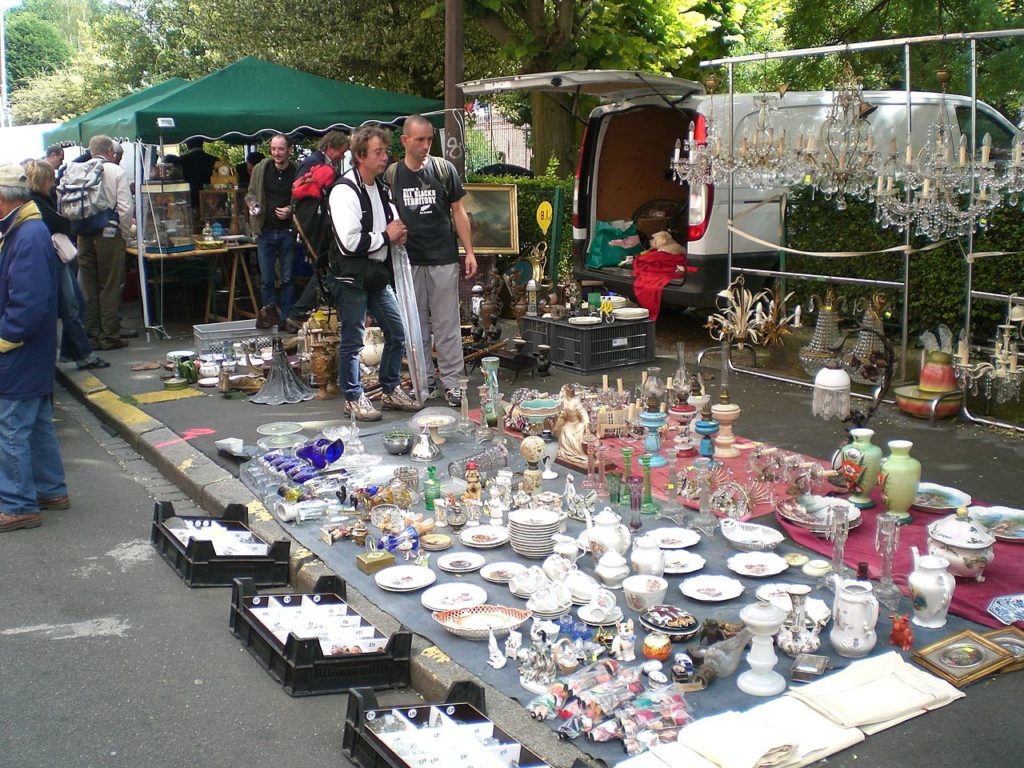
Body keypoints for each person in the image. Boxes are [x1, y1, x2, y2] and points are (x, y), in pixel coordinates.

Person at [328, 125, 419, 421]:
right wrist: (386, 235)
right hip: (351, 274)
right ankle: (353, 398)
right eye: (378, 152)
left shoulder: (381, 187)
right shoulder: (344, 190)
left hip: (376, 274)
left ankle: (390, 389)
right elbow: (349, 241)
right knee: (353, 339)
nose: (385, 157)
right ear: (360, 156)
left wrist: (399, 232)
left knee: (396, 331)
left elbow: (391, 224)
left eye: (385, 151)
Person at [387, 114, 477, 408]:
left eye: (429, 139)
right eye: (420, 140)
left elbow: (458, 212)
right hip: (408, 260)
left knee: (447, 325)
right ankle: (421, 382)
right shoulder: (392, 175)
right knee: (415, 328)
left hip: (442, 257)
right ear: (405, 141)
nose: (426, 145)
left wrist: (469, 251)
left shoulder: (443, 169)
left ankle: (453, 384)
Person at [0, 163, 68, 532]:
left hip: (20, 349)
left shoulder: (26, 234)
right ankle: (50, 491)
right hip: (31, 349)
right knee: (36, 423)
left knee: (11, 427)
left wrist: (3, 342)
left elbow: (26, 305)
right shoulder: (26, 228)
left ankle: (18, 504)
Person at [23, 160, 108, 370]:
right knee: (72, 306)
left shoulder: (41, 199)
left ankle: (75, 352)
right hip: (54, 257)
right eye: (51, 180)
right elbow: (60, 223)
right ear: (44, 179)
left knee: (76, 304)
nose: (53, 184)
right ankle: (83, 354)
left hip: (55, 256)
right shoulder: (37, 202)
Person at [284, 131, 351, 332]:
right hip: (311, 223)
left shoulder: (317, 160)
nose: (342, 156)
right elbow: (301, 193)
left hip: (311, 221)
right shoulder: (315, 162)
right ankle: (297, 314)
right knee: (324, 267)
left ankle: (303, 314)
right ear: (331, 147)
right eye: (341, 151)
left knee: (325, 267)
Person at [75, 135, 134, 351]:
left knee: (88, 286)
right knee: (109, 284)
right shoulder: (115, 171)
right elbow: (125, 209)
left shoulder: (79, 169)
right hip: (109, 233)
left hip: (82, 233)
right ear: (110, 151)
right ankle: (109, 336)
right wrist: (125, 233)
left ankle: (91, 335)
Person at [249, 134, 297, 317]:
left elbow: (303, 201)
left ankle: (286, 318)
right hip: (265, 230)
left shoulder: (296, 171)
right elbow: (250, 194)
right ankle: (269, 318)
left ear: (289, 150)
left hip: (287, 231)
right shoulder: (261, 169)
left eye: (281, 149)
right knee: (267, 280)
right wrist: (253, 207)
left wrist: (291, 210)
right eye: (273, 149)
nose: (276, 153)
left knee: (287, 279)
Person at [178, 137, 218, 209]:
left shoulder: (181, 160)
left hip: (189, 198)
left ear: (187, 145)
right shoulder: (214, 160)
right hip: (211, 198)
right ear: (202, 144)